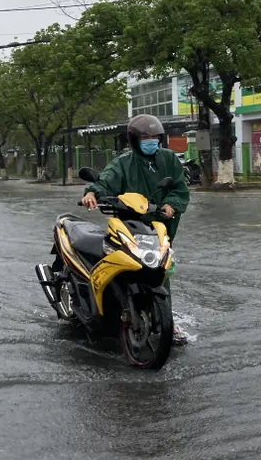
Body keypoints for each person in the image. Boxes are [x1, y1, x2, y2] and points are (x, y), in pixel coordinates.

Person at [80, 114, 190, 343]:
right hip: (131, 226)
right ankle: (114, 310)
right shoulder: (123, 163)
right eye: (145, 137)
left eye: (155, 137)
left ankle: (166, 318)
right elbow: (104, 182)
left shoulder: (169, 159)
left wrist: (172, 205)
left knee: (160, 272)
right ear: (134, 139)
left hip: (161, 226)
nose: (151, 141)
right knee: (125, 265)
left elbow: (180, 188)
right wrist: (91, 193)